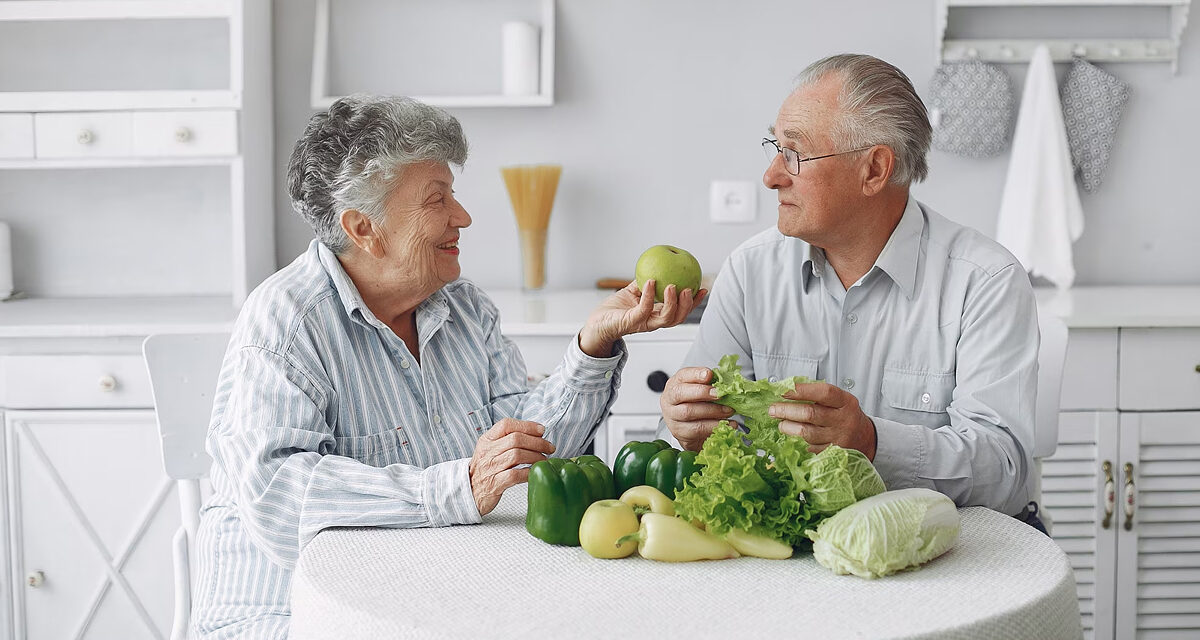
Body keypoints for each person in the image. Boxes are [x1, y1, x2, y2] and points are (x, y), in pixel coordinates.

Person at [192, 95, 702, 639]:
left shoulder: (463, 306)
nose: (463, 217)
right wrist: (455, 485)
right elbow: (279, 495)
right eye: (437, 200)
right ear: (364, 227)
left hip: (433, 596)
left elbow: (529, 455)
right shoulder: (286, 322)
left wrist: (592, 346)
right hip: (295, 614)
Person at [658, 54, 1042, 528]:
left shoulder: (986, 280)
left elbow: (1006, 471)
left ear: (875, 170)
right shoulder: (748, 272)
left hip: (948, 551)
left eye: (794, 153)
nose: (771, 175)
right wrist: (686, 427)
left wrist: (872, 443)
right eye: (774, 147)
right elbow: (695, 444)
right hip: (792, 553)